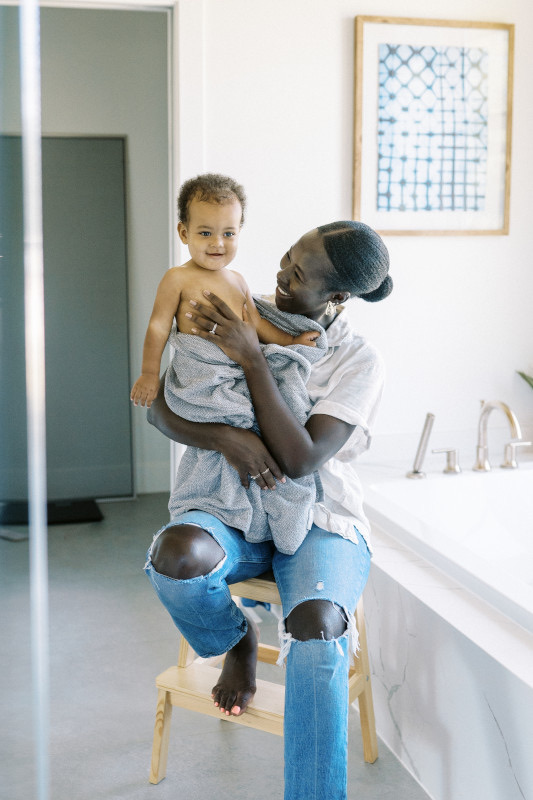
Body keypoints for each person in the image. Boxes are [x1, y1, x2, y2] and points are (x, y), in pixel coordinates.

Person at [144, 220, 393, 800]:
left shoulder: (358, 360)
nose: (280, 275)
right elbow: (157, 404)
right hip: (234, 507)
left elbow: (302, 459)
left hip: (320, 520)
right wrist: (229, 440)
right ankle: (238, 641)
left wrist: (253, 359)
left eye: (298, 275)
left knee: (319, 626)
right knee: (177, 555)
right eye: (285, 258)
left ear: (336, 297)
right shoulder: (235, 308)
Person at [130, 173, 316, 408]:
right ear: (184, 233)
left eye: (228, 234)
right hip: (201, 374)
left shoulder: (238, 280)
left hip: (238, 374)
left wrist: (291, 340)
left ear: (238, 232)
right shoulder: (177, 278)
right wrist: (148, 372)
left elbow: (256, 324)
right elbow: (158, 327)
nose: (217, 243)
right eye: (205, 233)